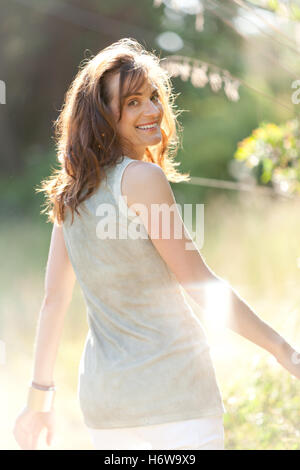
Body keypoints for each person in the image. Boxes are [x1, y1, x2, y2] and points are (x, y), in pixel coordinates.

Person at [13, 38, 300, 451]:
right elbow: (198, 283)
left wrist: (38, 402)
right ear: (102, 114)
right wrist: (283, 350)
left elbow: (53, 301)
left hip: (107, 405)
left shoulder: (70, 193)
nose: (151, 111)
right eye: (132, 102)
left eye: (152, 97)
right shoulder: (142, 179)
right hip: (176, 399)